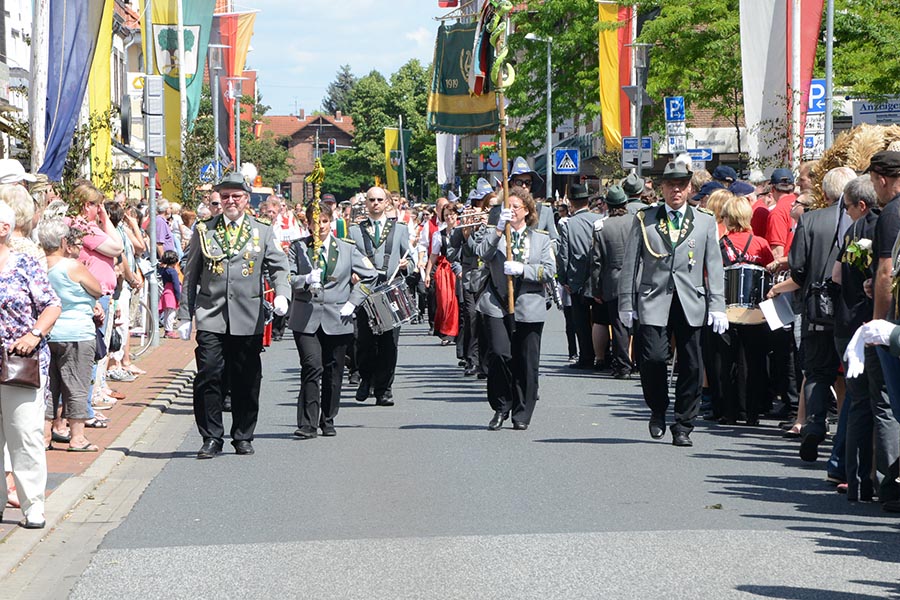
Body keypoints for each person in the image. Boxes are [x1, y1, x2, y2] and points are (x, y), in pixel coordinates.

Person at [176, 173, 290, 459]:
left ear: (246, 199)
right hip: (211, 314)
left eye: (236, 196)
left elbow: (279, 267)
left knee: (246, 378)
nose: (230, 201)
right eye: (225, 196)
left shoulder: (262, 230)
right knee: (209, 373)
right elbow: (191, 274)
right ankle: (211, 437)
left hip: (247, 316)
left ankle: (243, 435)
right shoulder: (204, 230)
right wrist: (184, 314)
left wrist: (282, 293)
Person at [618, 161, 727, 447]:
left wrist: (718, 304)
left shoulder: (704, 220)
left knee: (692, 365)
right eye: (670, 185)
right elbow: (630, 263)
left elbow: (714, 265)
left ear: (689, 188)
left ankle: (683, 425)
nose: (676, 190)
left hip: (691, 299)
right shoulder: (646, 218)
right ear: (662, 188)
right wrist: (626, 302)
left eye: (681, 185)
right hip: (654, 298)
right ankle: (657, 408)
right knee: (653, 358)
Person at [831, 174, 898, 502]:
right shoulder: (882, 223)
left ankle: (857, 481)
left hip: (855, 323)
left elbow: (840, 274)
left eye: (847, 207)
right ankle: (887, 482)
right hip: (876, 323)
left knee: (860, 403)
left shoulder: (857, 229)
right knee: (883, 404)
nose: (846, 212)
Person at [288, 202, 376, 439]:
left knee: (333, 371)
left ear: (331, 222)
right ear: (308, 224)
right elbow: (287, 277)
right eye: (315, 223)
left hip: (338, 316)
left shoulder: (346, 248)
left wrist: (353, 301)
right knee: (311, 366)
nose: (320, 227)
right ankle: (307, 423)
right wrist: (305, 279)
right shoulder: (298, 248)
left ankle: (328, 418)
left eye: (324, 222)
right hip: (306, 317)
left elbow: (370, 275)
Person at [788, 166, 856, 462]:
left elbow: (797, 266)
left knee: (816, 371)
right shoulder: (861, 220)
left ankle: (815, 423)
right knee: (849, 375)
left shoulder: (810, 219)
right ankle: (844, 435)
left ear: (825, 192)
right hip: (849, 309)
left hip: (816, 308)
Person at [0, 201, 61, 529]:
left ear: (4, 229)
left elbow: (51, 305)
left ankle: (33, 504)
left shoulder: (24, 264)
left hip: (19, 361)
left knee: (24, 433)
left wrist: (34, 334)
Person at [478, 186, 555, 431]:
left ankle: (522, 412)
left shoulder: (540, 238)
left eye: (515, 207)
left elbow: (549, 271)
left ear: (527, 211)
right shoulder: (496, 233)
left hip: (528, 303)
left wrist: (524, 270)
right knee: (500, 354)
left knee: (526, 361)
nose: (511, 211)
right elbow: (482, 254)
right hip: (497, 302)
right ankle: (501, 406)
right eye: (507, 207)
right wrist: (498, 229)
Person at [38, 218, 102, 452]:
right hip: (76, 332)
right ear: (64, 242)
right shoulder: (71, 266)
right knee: (76, 386)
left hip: (47, 331)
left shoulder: (37, 265)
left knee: (49, 387)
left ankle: (44, 436)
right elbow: (97, 288)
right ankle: (77, 437)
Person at [348, 186, 411, 406]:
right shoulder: (355, 231)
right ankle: (366, 378)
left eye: (379, 200)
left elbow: (410, 258)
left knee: (389, 343)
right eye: (371, 200)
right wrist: (352, 274)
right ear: (366, 203)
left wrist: (406, 265)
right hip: (365, 291)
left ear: (386, 203)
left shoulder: (400, 229)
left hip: (389, 290)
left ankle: (384, 389)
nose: (375, 203)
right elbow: (347, 259)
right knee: (364, 340)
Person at [716, 196, 775, 425]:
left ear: (728, 218)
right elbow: (769, 270)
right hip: (755, 312)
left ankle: (730, 412)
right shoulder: (760, 243)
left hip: (726, 310)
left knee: (727, 361)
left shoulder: (721, 244)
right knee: (755, 362)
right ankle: (752, 413)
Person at [590, 185, 634, 379]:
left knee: (618, 325)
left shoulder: (602, 227)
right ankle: (639, 362)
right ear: (625, 203)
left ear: (607, 205)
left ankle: (623, 366)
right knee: (640, 324)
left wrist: (596, 288)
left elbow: (596, 261)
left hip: (613, 281)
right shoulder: (635, 222)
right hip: (636, 279)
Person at [557, 184, 602, 369]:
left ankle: (586, 356)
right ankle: (603, 355)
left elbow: (563, 254)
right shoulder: (600, 219)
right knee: (600, 319)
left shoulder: (568, 224)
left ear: (571, 203)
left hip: (576, 277)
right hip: (599, 276)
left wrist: (563, 279)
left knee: (581, 321)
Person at [424, 202, 460, 344]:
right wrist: (428, 274)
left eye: (452, 214)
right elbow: (433, 255)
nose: (449, 217)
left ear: (456, 215)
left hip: (461, 268)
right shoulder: (439, 234)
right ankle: (447, 331)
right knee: (445, 302)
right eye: (446, 215)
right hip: (445, 270)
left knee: (458, 303)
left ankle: (458, 332)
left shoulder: (463, 230)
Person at [158, 250, 182, 339]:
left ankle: (167, 330)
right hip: (172, 293)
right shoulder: (173, 272)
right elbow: (176, 285)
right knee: (171, 313)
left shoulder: (165, 270)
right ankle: (169, 331)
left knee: (167, 312)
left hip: (166, 292)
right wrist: (179, 298)